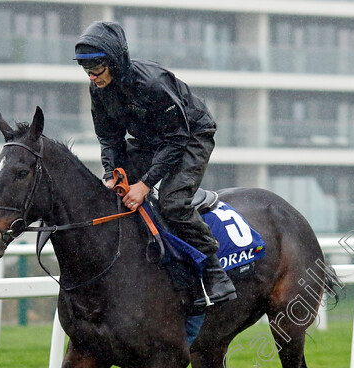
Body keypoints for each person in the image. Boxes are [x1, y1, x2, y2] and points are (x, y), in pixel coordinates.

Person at [74, 20, 236, 306]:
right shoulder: (98, 89)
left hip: (191, 134)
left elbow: (177, 139)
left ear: (114, 62)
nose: (91, 77)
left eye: (96, 70)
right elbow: (109, 138)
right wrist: (112, 173)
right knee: (113, 192)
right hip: (151, 139)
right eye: (85, 70)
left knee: (173, 202)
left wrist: (145, 184)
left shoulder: (152, 84)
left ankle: (214, 273)